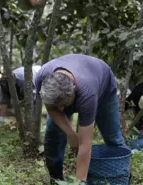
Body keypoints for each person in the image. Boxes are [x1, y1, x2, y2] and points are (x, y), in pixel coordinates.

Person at [35, 54, 127, 184]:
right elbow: (51, 108)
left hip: (104, 89)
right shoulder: (42, 78)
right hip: (69, 89)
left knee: (113, 138)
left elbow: (85, 144)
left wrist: (80, 181)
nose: (61, 110)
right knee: (52, 135)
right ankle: (56, 180)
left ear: (73, 89)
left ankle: (121, 177)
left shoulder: (87, 93)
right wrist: (71, 134)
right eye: (57, 106)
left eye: (63, 105)